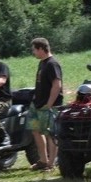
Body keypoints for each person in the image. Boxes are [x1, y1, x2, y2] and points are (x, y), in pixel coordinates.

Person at [27, 37, 63, 171]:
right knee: (35, 130)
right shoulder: (42, 63)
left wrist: (49, 104)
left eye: (34, 50)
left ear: (41, 49)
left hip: (49, 106)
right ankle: (43, 160)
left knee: (50, 134)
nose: (33, 52)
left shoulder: (52, 64)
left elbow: (57, 85)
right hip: (37, 104)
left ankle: (51, 164)